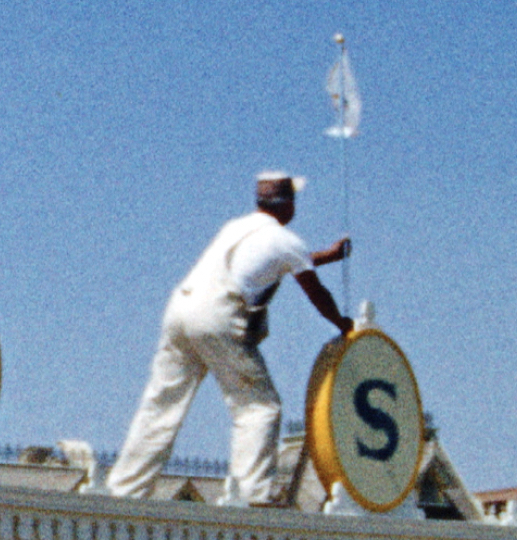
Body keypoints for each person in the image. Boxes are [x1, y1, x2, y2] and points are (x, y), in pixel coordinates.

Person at [107, 172, 353, 506]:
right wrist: (341, 323)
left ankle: (125, 490)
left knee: (161, 403)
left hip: (182, 308)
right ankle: (252, 494)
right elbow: (315, 291)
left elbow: (281, 263)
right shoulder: (286, 241)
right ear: (289, 204)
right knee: (259, 407)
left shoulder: (236, 227)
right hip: (218, 315)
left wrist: (328, 255)